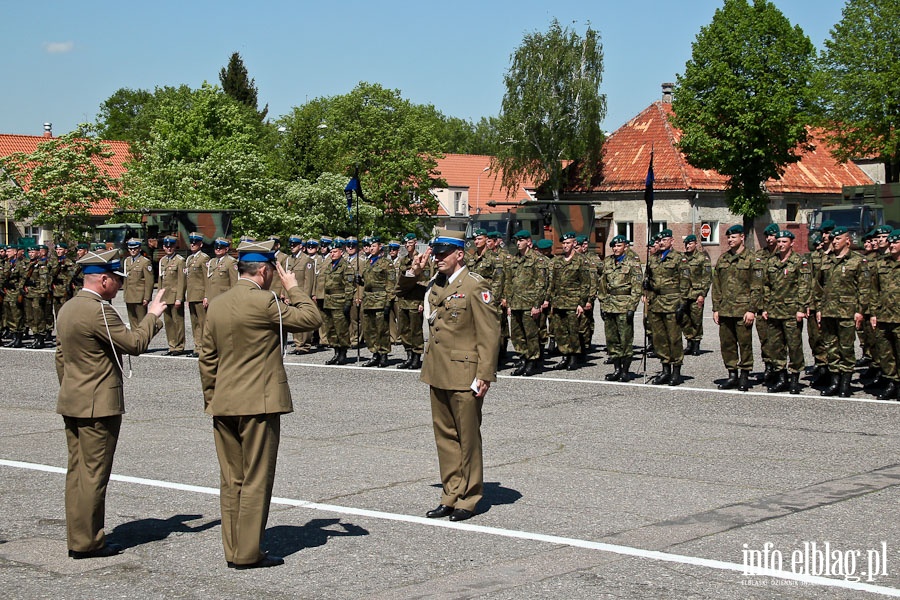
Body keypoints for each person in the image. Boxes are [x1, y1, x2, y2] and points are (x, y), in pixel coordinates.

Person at [199, 239, 322, 569]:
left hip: (223, 402)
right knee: (256, 478)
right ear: (265, 271)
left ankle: (233, 548)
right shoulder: (265, 301)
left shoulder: (219, 304)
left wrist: (213, 396)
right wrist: (294, 287)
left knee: (231, 480)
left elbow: (207, 358)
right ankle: (248, 552)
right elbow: (311, 318)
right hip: (258, 403)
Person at [55, 249, 167, 559]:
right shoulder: (99, 311)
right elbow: (134, 344)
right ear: (103, 280)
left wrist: (71, 388)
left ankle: (79, 536)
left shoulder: (68, 308)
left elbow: (61, 358)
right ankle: (89, 542)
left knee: (76, 473)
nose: (118, 286)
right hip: (98, 405)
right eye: (116, 280)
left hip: (73, 399)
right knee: (94, 474)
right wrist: (154, 315)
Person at [399, 230, 499, 522]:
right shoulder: (436, 283)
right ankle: (450, 494)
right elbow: (402, 292)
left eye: (444, 253)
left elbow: (489, 334)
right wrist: (413, 270)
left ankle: (469, 497)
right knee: (444, 437)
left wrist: (485, 374)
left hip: (465, 372)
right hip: (438, 370)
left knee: (467, 438)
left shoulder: (474, 286)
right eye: (436, 253)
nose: (438, 258)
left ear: (459, 254)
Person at [812, 226, 870, 397]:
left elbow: (864, 289)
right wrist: (819, 309)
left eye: (838, 239)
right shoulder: (826, 261)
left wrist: (860, 311)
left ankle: (845, 382)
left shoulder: (858, 261)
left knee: (846, 348)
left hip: (847, 312)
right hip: (828, 311)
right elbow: (818, 287)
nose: (835, 241)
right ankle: (835, 381)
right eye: (834, 239)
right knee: (831, 348)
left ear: (848, 241)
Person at [711, 225, 763, 391]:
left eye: (734, 237)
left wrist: (752, 310)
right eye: (729, 237)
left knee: (745, 344)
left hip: (743, 310)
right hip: (725, 309)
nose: (730, 240)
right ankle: (732, 374)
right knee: (727, 344)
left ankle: (744, 376)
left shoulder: (752, 259)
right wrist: (716, 308)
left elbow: (757, 287)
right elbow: (716, 285)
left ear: (742, 237)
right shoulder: (723, 259)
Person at [760, 230, 810, 394]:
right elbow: (766, 285)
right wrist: (766, 306)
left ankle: (794, 378)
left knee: (794, 346)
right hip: (774, 311)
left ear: (792, 243)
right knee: (776, 346)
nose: (781, 244)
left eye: (784, 242)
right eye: (779, 241)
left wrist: (801, 308)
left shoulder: (799, 262)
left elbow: (804, 287)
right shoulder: (771, 262)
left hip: (791, 311)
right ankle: (781, 378)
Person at [644, 229, 688, 385]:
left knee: (674, 338)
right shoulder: (653, 259)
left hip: (672, 302)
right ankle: (665, 369)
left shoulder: (678, 259)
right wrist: (646, 287)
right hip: (656, 303)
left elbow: (685, 282)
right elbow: (648, 278)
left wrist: (682, 303)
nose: (661, 242)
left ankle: (676, 370)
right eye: (660, 240)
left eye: (665, 240)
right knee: (659, 338)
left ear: (672, 241)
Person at [599, 235, 643, 382]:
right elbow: (603, 285)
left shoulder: (632, 263)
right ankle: (616, 369)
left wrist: (632, 307)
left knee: (625, 339)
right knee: (612, 340)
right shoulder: (607, 262)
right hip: (610, 305)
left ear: (625, 247)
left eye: (619, 246)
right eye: (614, 246)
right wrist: (603, 303)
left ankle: (625, 371)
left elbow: (637, 287)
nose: (616, 249)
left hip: (624, 305)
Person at [680, 234, 712, 356]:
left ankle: (696, 344)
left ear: (696, 244)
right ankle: (689, 342)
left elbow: (707, 277)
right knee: (685, 319)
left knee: (696, 320)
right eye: (686, 244)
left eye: (690, 244)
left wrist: (702, 294)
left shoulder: (702, 258)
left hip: (696, 293)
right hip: (684, 294)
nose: (688, 246)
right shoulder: (682, 258)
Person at [158, 235, 186, 356]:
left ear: (175, 246)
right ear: (164, 247)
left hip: (175, 296)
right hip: (165, 296)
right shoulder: (162, 261)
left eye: (171, 246)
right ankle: (172, 345)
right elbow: (160, 280)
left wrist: (179, 298)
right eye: (166, 246)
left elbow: (182, 281)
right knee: (168, 322)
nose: (169, 248)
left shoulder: (180, 261)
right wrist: (159, 296)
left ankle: (179, 346)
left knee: (178, 322)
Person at [185, 232, 210, 358]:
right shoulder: (189, 259)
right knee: (194, 323)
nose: (193, 245)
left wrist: (206, 295)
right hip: (192, 295)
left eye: (195, 243)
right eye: (191, 243)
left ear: (200, 244)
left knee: (202, 323)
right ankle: (197, 347)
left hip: (200, 295)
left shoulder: (204, 258)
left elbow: (207, 279)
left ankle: (205, 348)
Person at [123, 238, 155, 330]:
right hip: (129, 296)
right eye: (130, 248)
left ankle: (143, 343)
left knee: (142, 323)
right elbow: (125, 279)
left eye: (135, 248)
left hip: (140, 296)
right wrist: (125, 294)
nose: (133, 250)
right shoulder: (127, 261)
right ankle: (135, 342)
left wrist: (147, 297)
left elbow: (149, 281)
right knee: (132, 322)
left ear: (140, 248)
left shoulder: (144, 262)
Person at [204, 237, 238, 304]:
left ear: (226, 249)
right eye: (216, 247)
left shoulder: (231, 262)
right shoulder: (212, 261)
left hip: (223, 297)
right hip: (211, 297)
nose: (218, 249)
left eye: (220, 248)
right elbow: (208, 281)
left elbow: (234, 283)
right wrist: (206, 296)